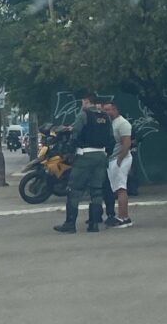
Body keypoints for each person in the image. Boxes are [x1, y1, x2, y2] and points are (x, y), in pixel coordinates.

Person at [54, 93, 113, 233]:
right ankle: (93, 225)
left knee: (74, 190)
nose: (82, 105)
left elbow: (75, 134)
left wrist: (69, 152)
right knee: (96, 191)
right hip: (101, 155)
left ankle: (70, 224)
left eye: (83, 102)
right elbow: (111, 138)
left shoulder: (84, 115)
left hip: (85, 155)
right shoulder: (106, 117)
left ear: (87, 101)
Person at [103, 101, 134, 228]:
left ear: (116, 110)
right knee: (117, 188)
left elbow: (127, 143)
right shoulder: (111, 123)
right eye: (105, 110)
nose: (106, 112)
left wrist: (120, 159)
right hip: (113, 159)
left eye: (109, 110)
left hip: (120, 159)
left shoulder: (122, 123)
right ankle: (124, 216)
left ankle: (123, 218)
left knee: (121, 189)